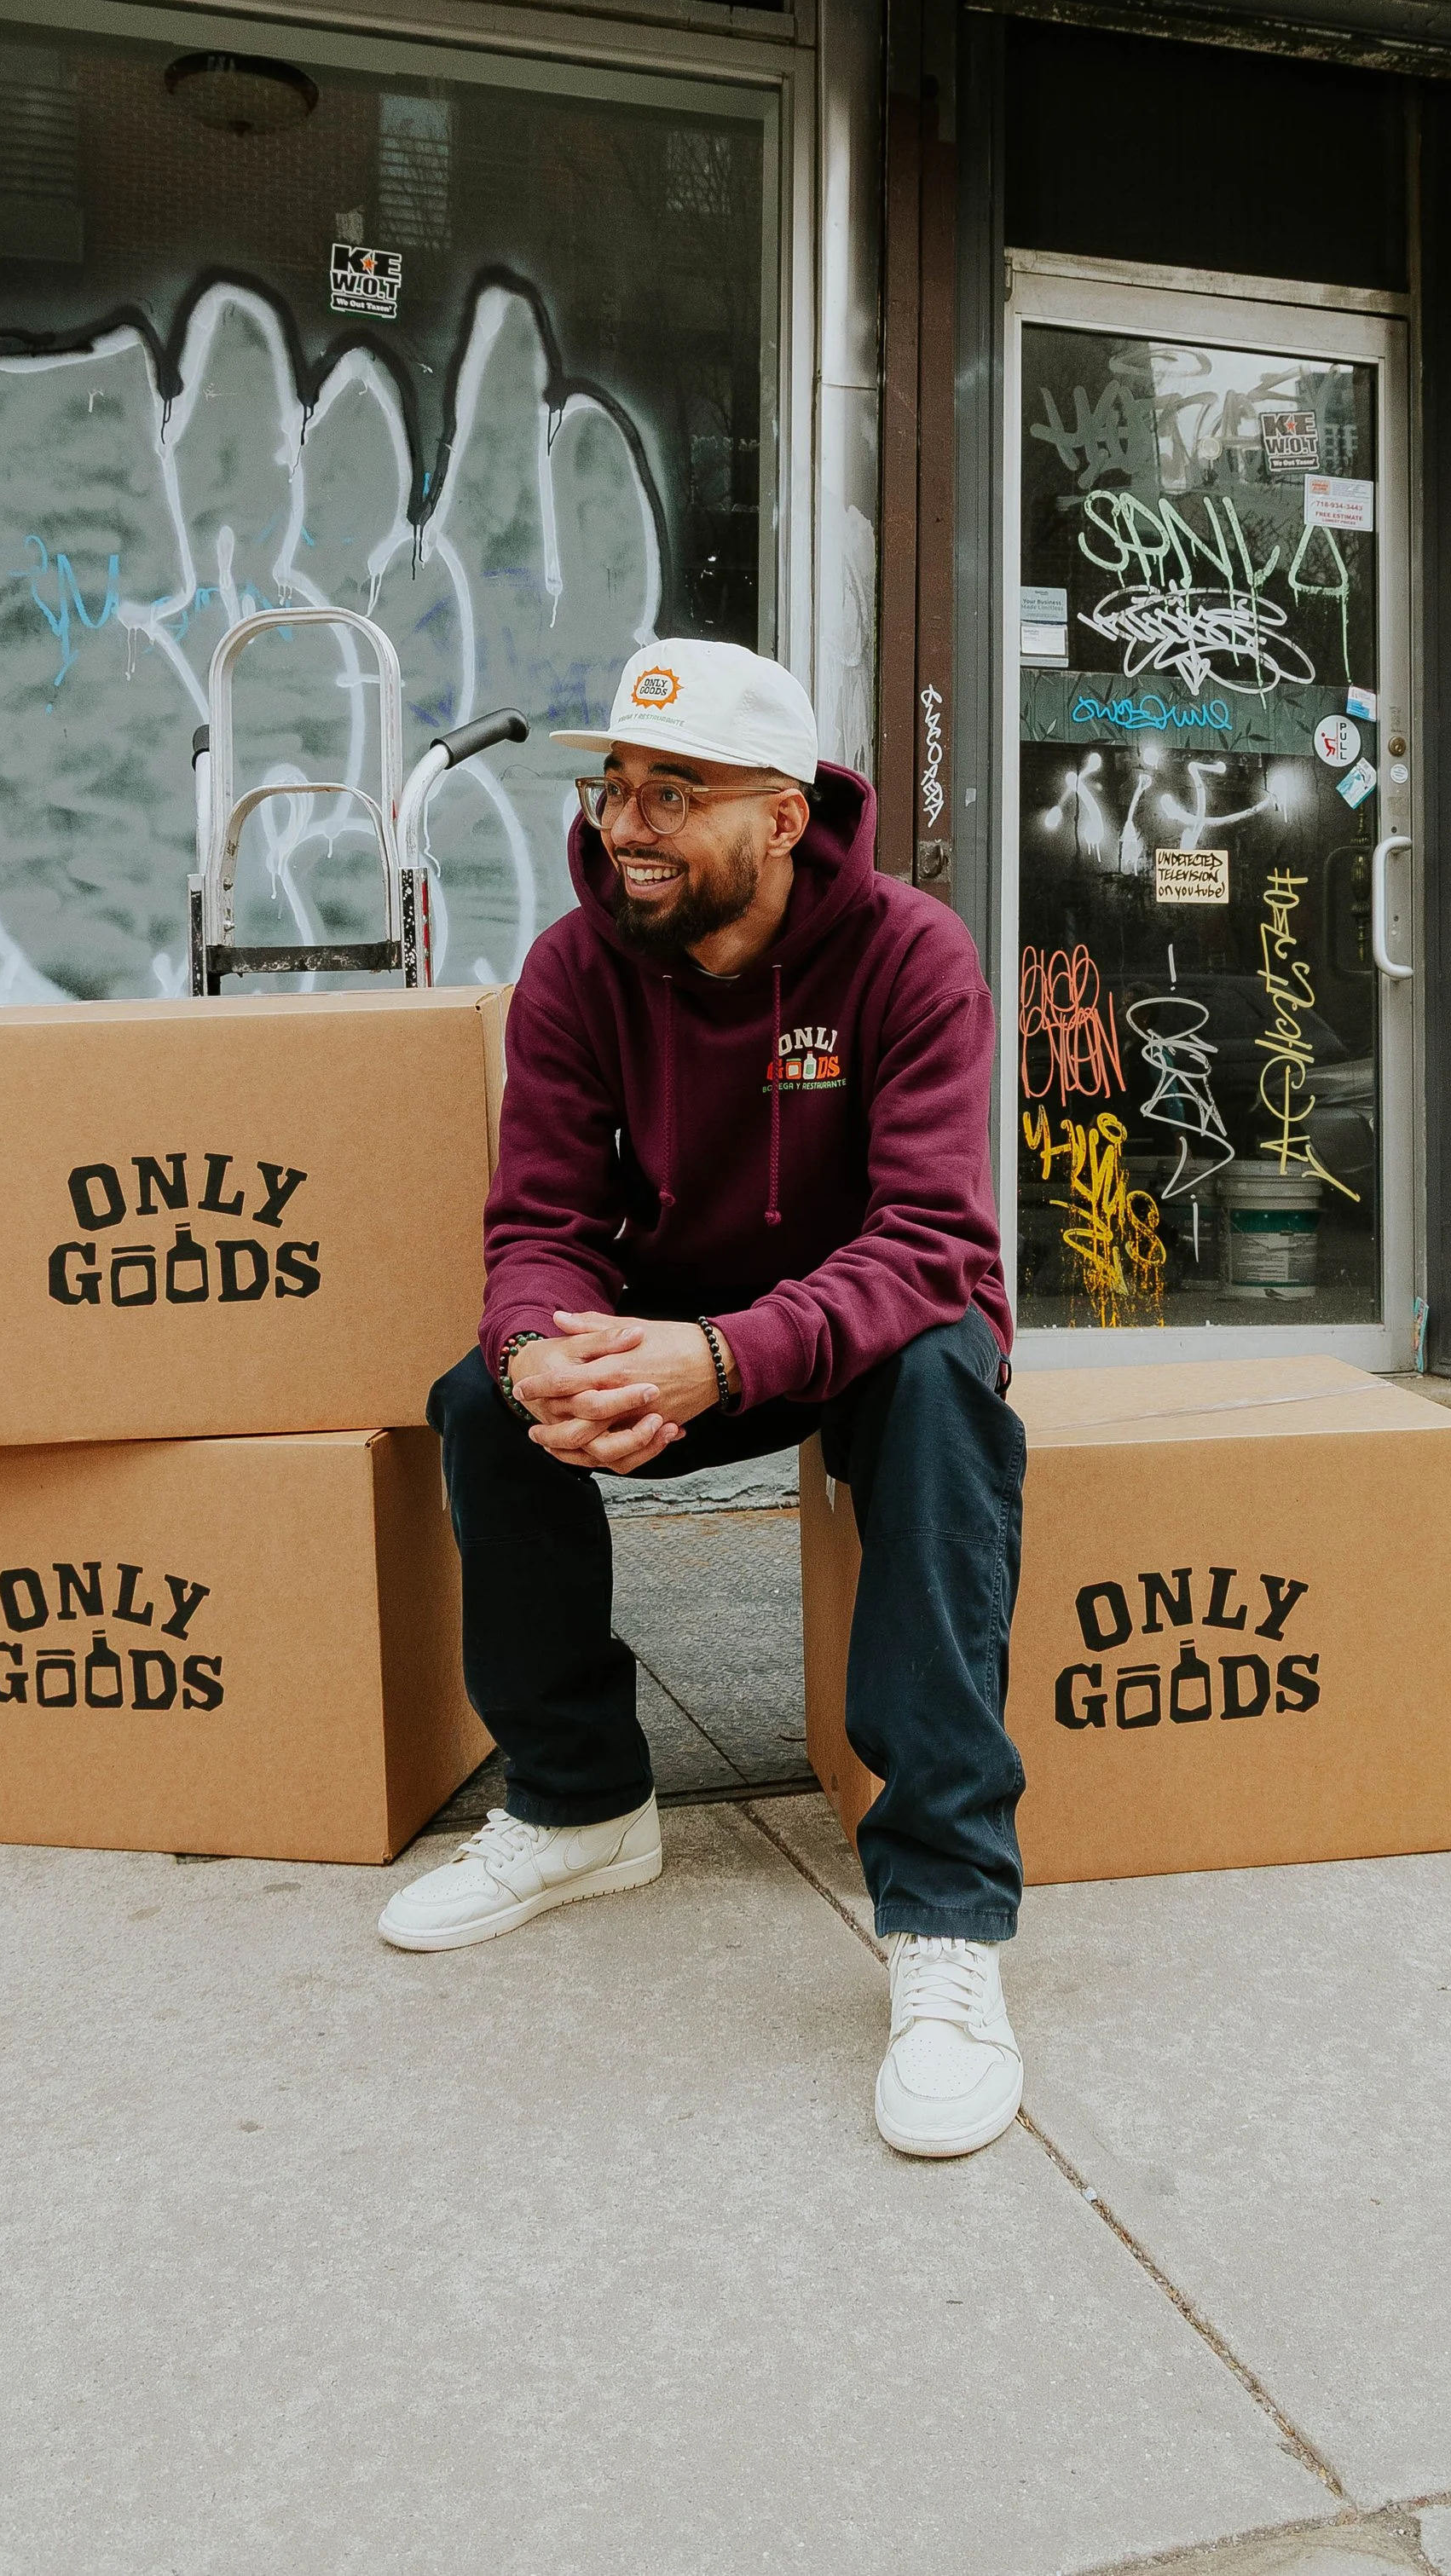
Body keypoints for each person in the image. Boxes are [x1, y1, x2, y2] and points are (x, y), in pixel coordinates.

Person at [380, 638, 1029, 2160]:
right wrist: (542, 1343)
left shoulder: (912, 956)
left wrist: (726, 1354)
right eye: (616, 786)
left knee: (945, 1387)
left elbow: (932, 1239)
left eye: (675, 792)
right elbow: (538, 1215)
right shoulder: (575, 966)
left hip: (873, 1331)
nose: (626, 824)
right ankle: (581, 1802)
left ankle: (944, 1916)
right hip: (679, 1330)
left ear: (786, 816)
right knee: (478, 1405)